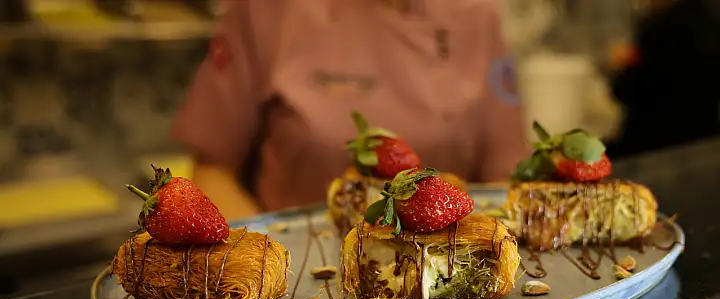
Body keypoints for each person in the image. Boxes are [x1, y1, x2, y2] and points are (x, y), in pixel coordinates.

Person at [171, 0, 529, 220]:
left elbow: (505, 186)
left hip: (446, 283)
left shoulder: (479, 16)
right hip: (299, 290)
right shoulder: (265, 9)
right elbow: (213, 172)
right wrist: (273, 264)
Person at [609, 0, 720, 158]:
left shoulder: (662, 30)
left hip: (654, 144)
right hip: (701, 141)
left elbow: (628, 91)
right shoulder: (708, 21)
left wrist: (624, 66)